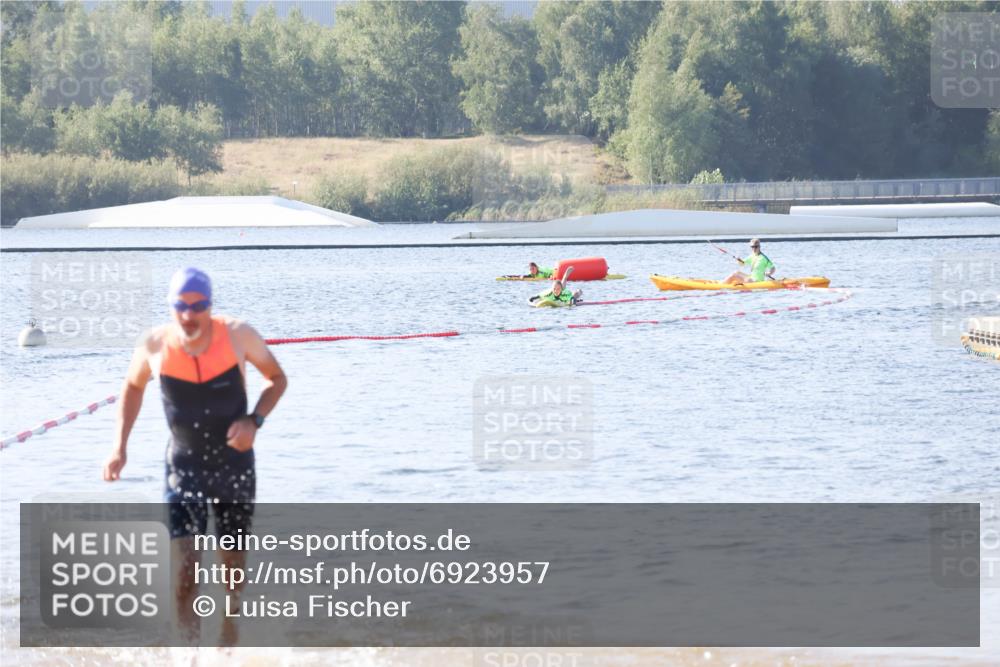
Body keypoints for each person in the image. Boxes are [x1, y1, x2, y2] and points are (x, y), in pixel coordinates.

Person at [102, 267, 288, 646]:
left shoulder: (238, 335)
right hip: (183, 467)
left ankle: (229, 630)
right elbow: (133, 387)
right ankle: (187, 657)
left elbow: (277, 379)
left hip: (234, 466)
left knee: (232, 567)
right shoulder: (154, 344)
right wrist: (120, 446)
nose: (189, 315)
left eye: (198, 305)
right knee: (185, 570)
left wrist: (254, 420)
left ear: (210, 305)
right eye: (181, 306)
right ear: (171, 307)